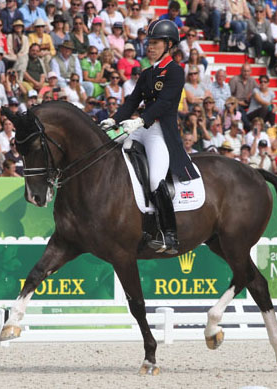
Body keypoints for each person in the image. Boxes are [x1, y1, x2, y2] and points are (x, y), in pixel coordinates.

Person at [100, 20, 197, 255]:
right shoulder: (146, 73)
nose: (149, 46)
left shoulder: (175, 71)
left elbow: (164, 103)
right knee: (111, 151)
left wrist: (140, 120)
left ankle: (170, 235)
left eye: (154, 43)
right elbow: (133, 100)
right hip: (140, 127)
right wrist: (114, 120)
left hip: (160, 132)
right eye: (149, 42)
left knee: (155, 180)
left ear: (168, 45)